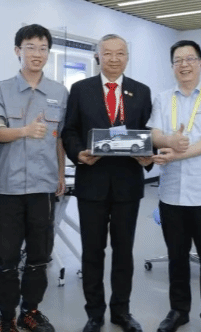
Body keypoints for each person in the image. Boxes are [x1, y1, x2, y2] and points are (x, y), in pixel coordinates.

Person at [61, 34, 153, 332]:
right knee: (92, 252)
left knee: (124, 252)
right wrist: (78, 153)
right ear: (97, 56)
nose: (114, 59)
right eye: (108, 53)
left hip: (128, 183)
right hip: (92, 181)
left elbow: (149, 132)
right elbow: (69, 131)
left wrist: (148, 157)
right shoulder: (81, 89)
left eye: (120, 53)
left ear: (127, 57)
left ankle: (121, 312)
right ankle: (95, 313)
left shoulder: (141, 91)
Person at [148, 40, 201, 332]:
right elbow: (155, 134)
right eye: (178, 60)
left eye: (190, 59)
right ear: (172, 66)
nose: (184, 65)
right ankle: (178, 311)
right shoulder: (163, 98)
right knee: (177, 258)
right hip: (171, 193)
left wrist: (179, 153)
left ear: (200, 63)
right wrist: (168, 141)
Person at [0, 24, 68, 332]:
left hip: (43, 186)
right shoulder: (0, 90)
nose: (37, 54)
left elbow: (60, 138)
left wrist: (60, 173)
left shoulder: (59, 92)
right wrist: (24, 130)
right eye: (30, 47)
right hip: (7, 186)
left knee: (39, 256)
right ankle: (7, 316)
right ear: (17, 51)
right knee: (6, 257)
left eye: (43, 48)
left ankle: (30, 312)